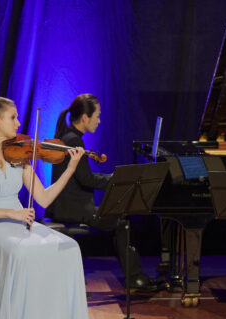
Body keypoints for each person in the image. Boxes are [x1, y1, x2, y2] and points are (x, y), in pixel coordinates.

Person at [0, 96, 90, 319]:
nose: (19, 122)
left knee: (69, 247)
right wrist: (10, 213)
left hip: (17, 221)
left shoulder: (20, 155)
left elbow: (43, 198)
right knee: (20, 250)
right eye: (13, 117)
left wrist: (70, 168)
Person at [45, 94, 157, 291]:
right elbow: (87, 179)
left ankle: (134, 276)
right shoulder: (73, 141)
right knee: (122, 223)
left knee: (118, 218)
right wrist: (116, 179)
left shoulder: (68, 137)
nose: (99, 120)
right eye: (97, 115)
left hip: (67, 205)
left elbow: (84, 175)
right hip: (72, 209)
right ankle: (134, 278)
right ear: (85, 118)